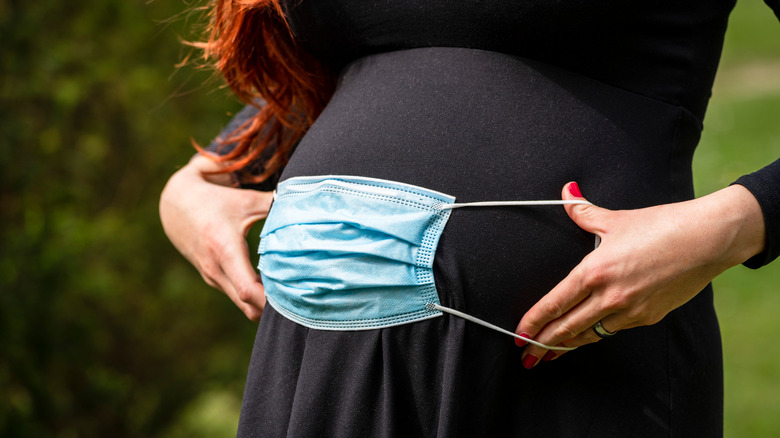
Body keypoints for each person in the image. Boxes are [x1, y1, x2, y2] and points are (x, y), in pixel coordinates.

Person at [160, 1, 780, 436]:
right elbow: (343, 67)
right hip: (320, 371)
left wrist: (735, 224)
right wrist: (203, 179)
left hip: (575, 369)